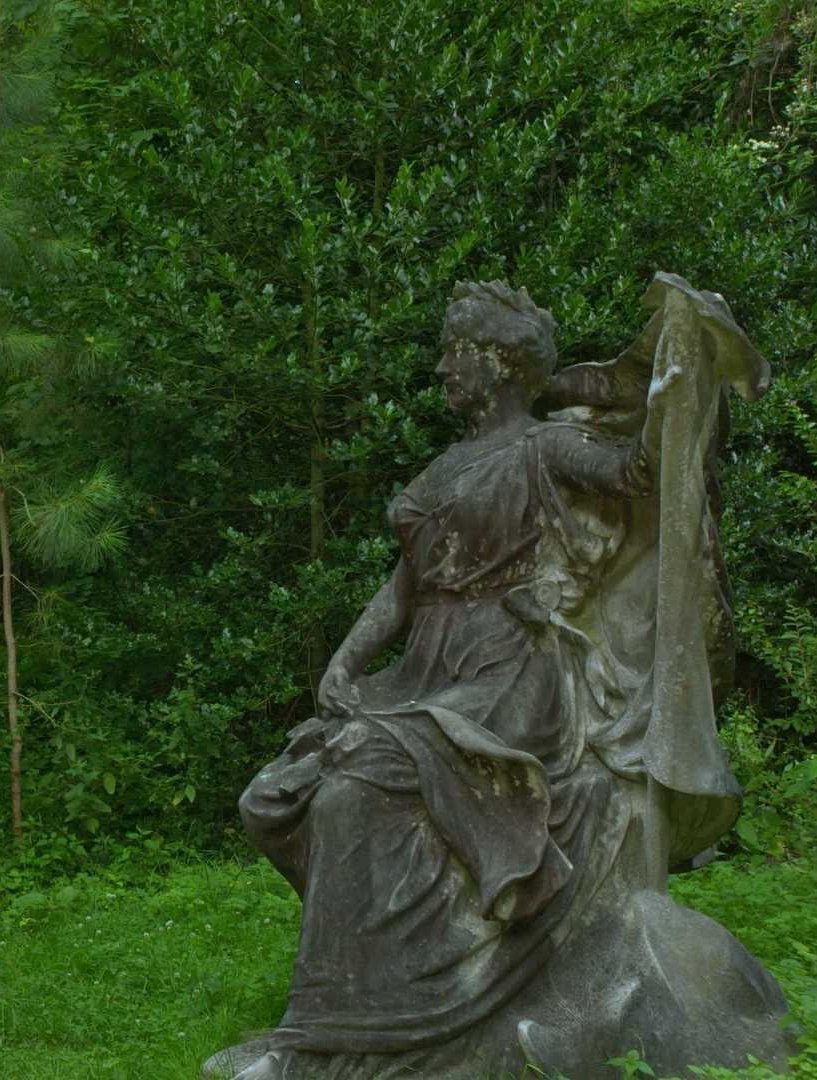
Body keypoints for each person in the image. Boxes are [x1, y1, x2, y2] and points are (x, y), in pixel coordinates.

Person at [225, 277, 772, 1077]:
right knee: (283, 795)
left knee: (356, 790)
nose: (444, 368)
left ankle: (369, 1030)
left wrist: (676, 385)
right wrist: (346, 660)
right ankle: (353, 1017)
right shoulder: (446, 466)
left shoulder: (544, 446)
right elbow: (408, 584)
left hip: (507, 674)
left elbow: (638, 474)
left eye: (458, 353)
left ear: (502, 365)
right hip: (429, 668)